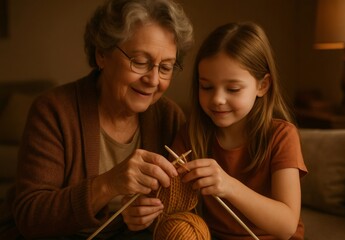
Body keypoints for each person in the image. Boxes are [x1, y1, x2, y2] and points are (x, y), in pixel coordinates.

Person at [0, 0, 193, 239]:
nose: (153, 80)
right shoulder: (54, 110)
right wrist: (109, 183)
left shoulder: (170, 116)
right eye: (140, 62)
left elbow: (176, 208)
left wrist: (149, 218)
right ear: (102, 54)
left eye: (166, 67)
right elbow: (31, 217)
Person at [123, 22, 308, 240]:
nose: (218, 99)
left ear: (263, 85)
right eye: (207, 87)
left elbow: (286, 226)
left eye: (233, 89)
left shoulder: (281, 136)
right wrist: (143, 213)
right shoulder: (191, 135)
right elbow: (169, 205)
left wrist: (229, 186)